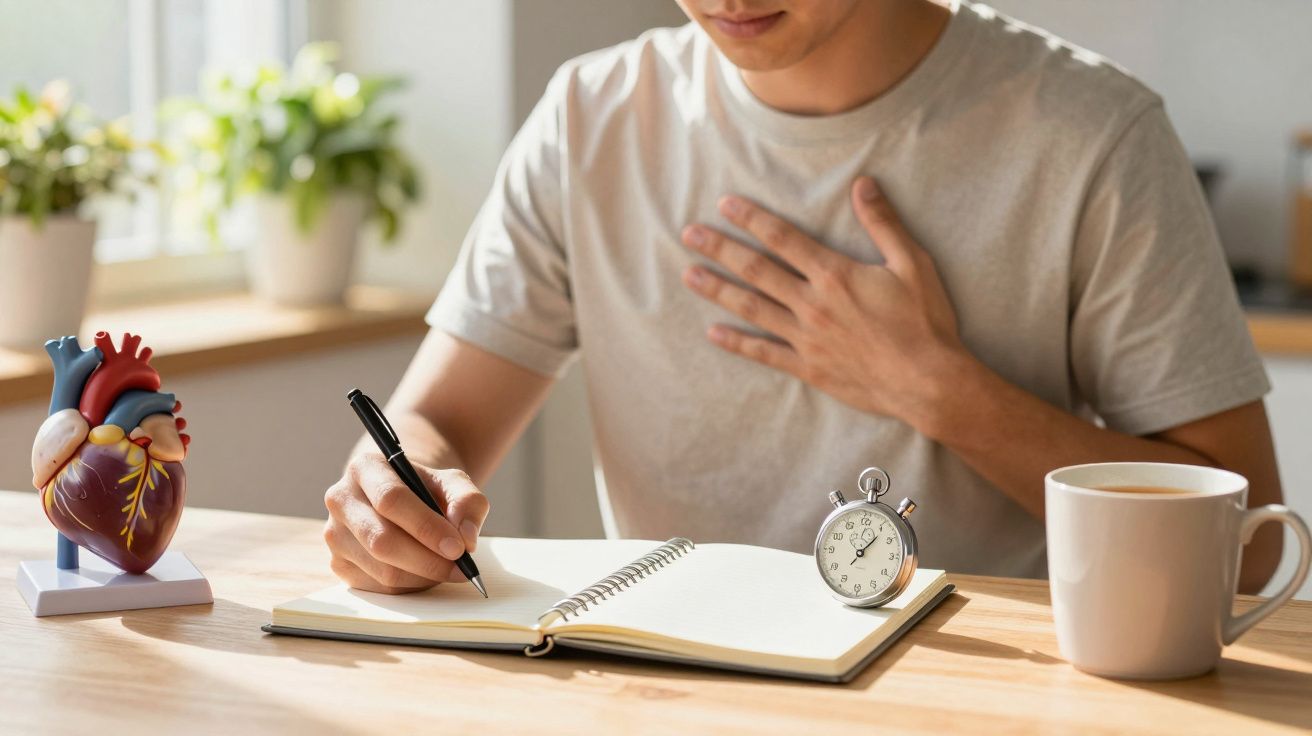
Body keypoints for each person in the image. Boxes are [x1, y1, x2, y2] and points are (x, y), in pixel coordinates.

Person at [322, 0, 1284, 595]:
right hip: (670, 695)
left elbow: (1241, 552)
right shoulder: (589, 117)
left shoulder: (1094, 137)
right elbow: (435, 423)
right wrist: (400, 500)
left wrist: (943, 395)